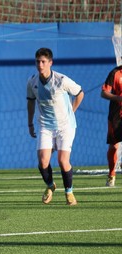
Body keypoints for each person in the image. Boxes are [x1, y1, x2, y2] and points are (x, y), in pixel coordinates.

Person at [26, 47, 84, 205]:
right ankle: (51, 186)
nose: (40, 65)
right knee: (43, 161)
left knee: (62, 160)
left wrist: (72, 111)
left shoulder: (61, 80)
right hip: (45, 126)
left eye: (43, 62)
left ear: (50, 62)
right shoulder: (32, 82)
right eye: (38, 62)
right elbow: (30, 102)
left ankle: (69, 193)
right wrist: (30, 123)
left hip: (66, 127)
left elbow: (79, 93)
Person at [101, 64, 122, 187]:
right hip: (116, 117)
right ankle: (111, 174)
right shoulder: (115, 73)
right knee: (114, 147)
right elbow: (104, 93)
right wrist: (119, 98)